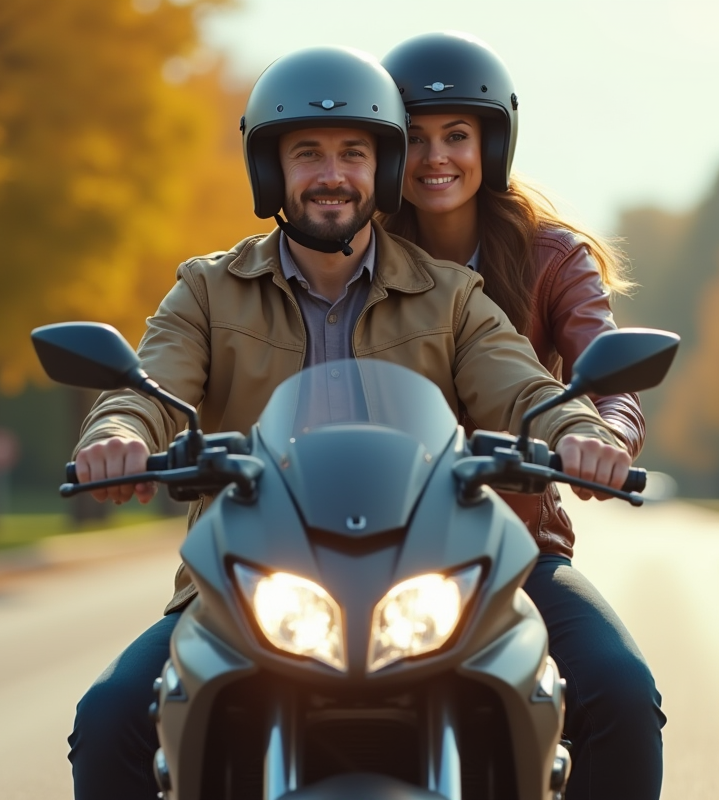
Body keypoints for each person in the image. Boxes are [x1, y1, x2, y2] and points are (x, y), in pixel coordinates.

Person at [66, 45, 636, 800]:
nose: (331, 174)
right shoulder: (207, 291)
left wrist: (582, 433)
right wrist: (120, 437)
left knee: (619, 691)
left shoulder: (451, 296)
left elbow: (524, 387)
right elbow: (150, 388)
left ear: (383, 170)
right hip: (251, 577)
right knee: (109, 719)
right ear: (270, 170)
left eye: (352, 153)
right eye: (307, 153)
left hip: (436, 569)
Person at [377, 31, 665, 800]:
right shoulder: (356, 254)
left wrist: (604, 439)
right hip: (371, 545)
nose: (437, 157)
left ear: (492, 143)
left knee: (622, 694)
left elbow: (609, 375)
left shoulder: (551, 257)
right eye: (413, 138)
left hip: (514, 545)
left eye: (458, 135)